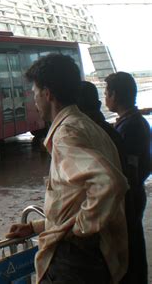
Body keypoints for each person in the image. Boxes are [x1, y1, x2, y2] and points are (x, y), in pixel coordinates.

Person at [6, 54, 129, 283]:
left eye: (35, 94)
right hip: (97, 256)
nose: (34, 101)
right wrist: (36, 227)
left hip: (75, 261)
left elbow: (110, 183)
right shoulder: (88, 127)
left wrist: (80, 229)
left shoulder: (66, 135)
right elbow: (75, 200)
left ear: (48, 94)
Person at [78, 80, 141, 284]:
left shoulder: (112, 130)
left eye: (107, 93)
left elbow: (126, 175)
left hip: (125, 200)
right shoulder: (116, 127)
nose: (105, 98)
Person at [105, 71, 150, 284]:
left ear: (114, 95)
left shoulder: (129, 126)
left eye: (106, 93)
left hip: (130, 196)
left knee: (130, 248)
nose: (105, 98)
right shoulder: (135, 121)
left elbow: (131, 169)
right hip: (136, 192)